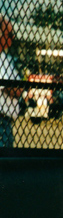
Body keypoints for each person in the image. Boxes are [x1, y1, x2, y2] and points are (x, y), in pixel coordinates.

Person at [0, 15, 21, 148]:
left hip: (6, 122)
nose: (12, 38)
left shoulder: (5, 58)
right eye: (9, 34)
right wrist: (18, 89)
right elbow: (12, 88)